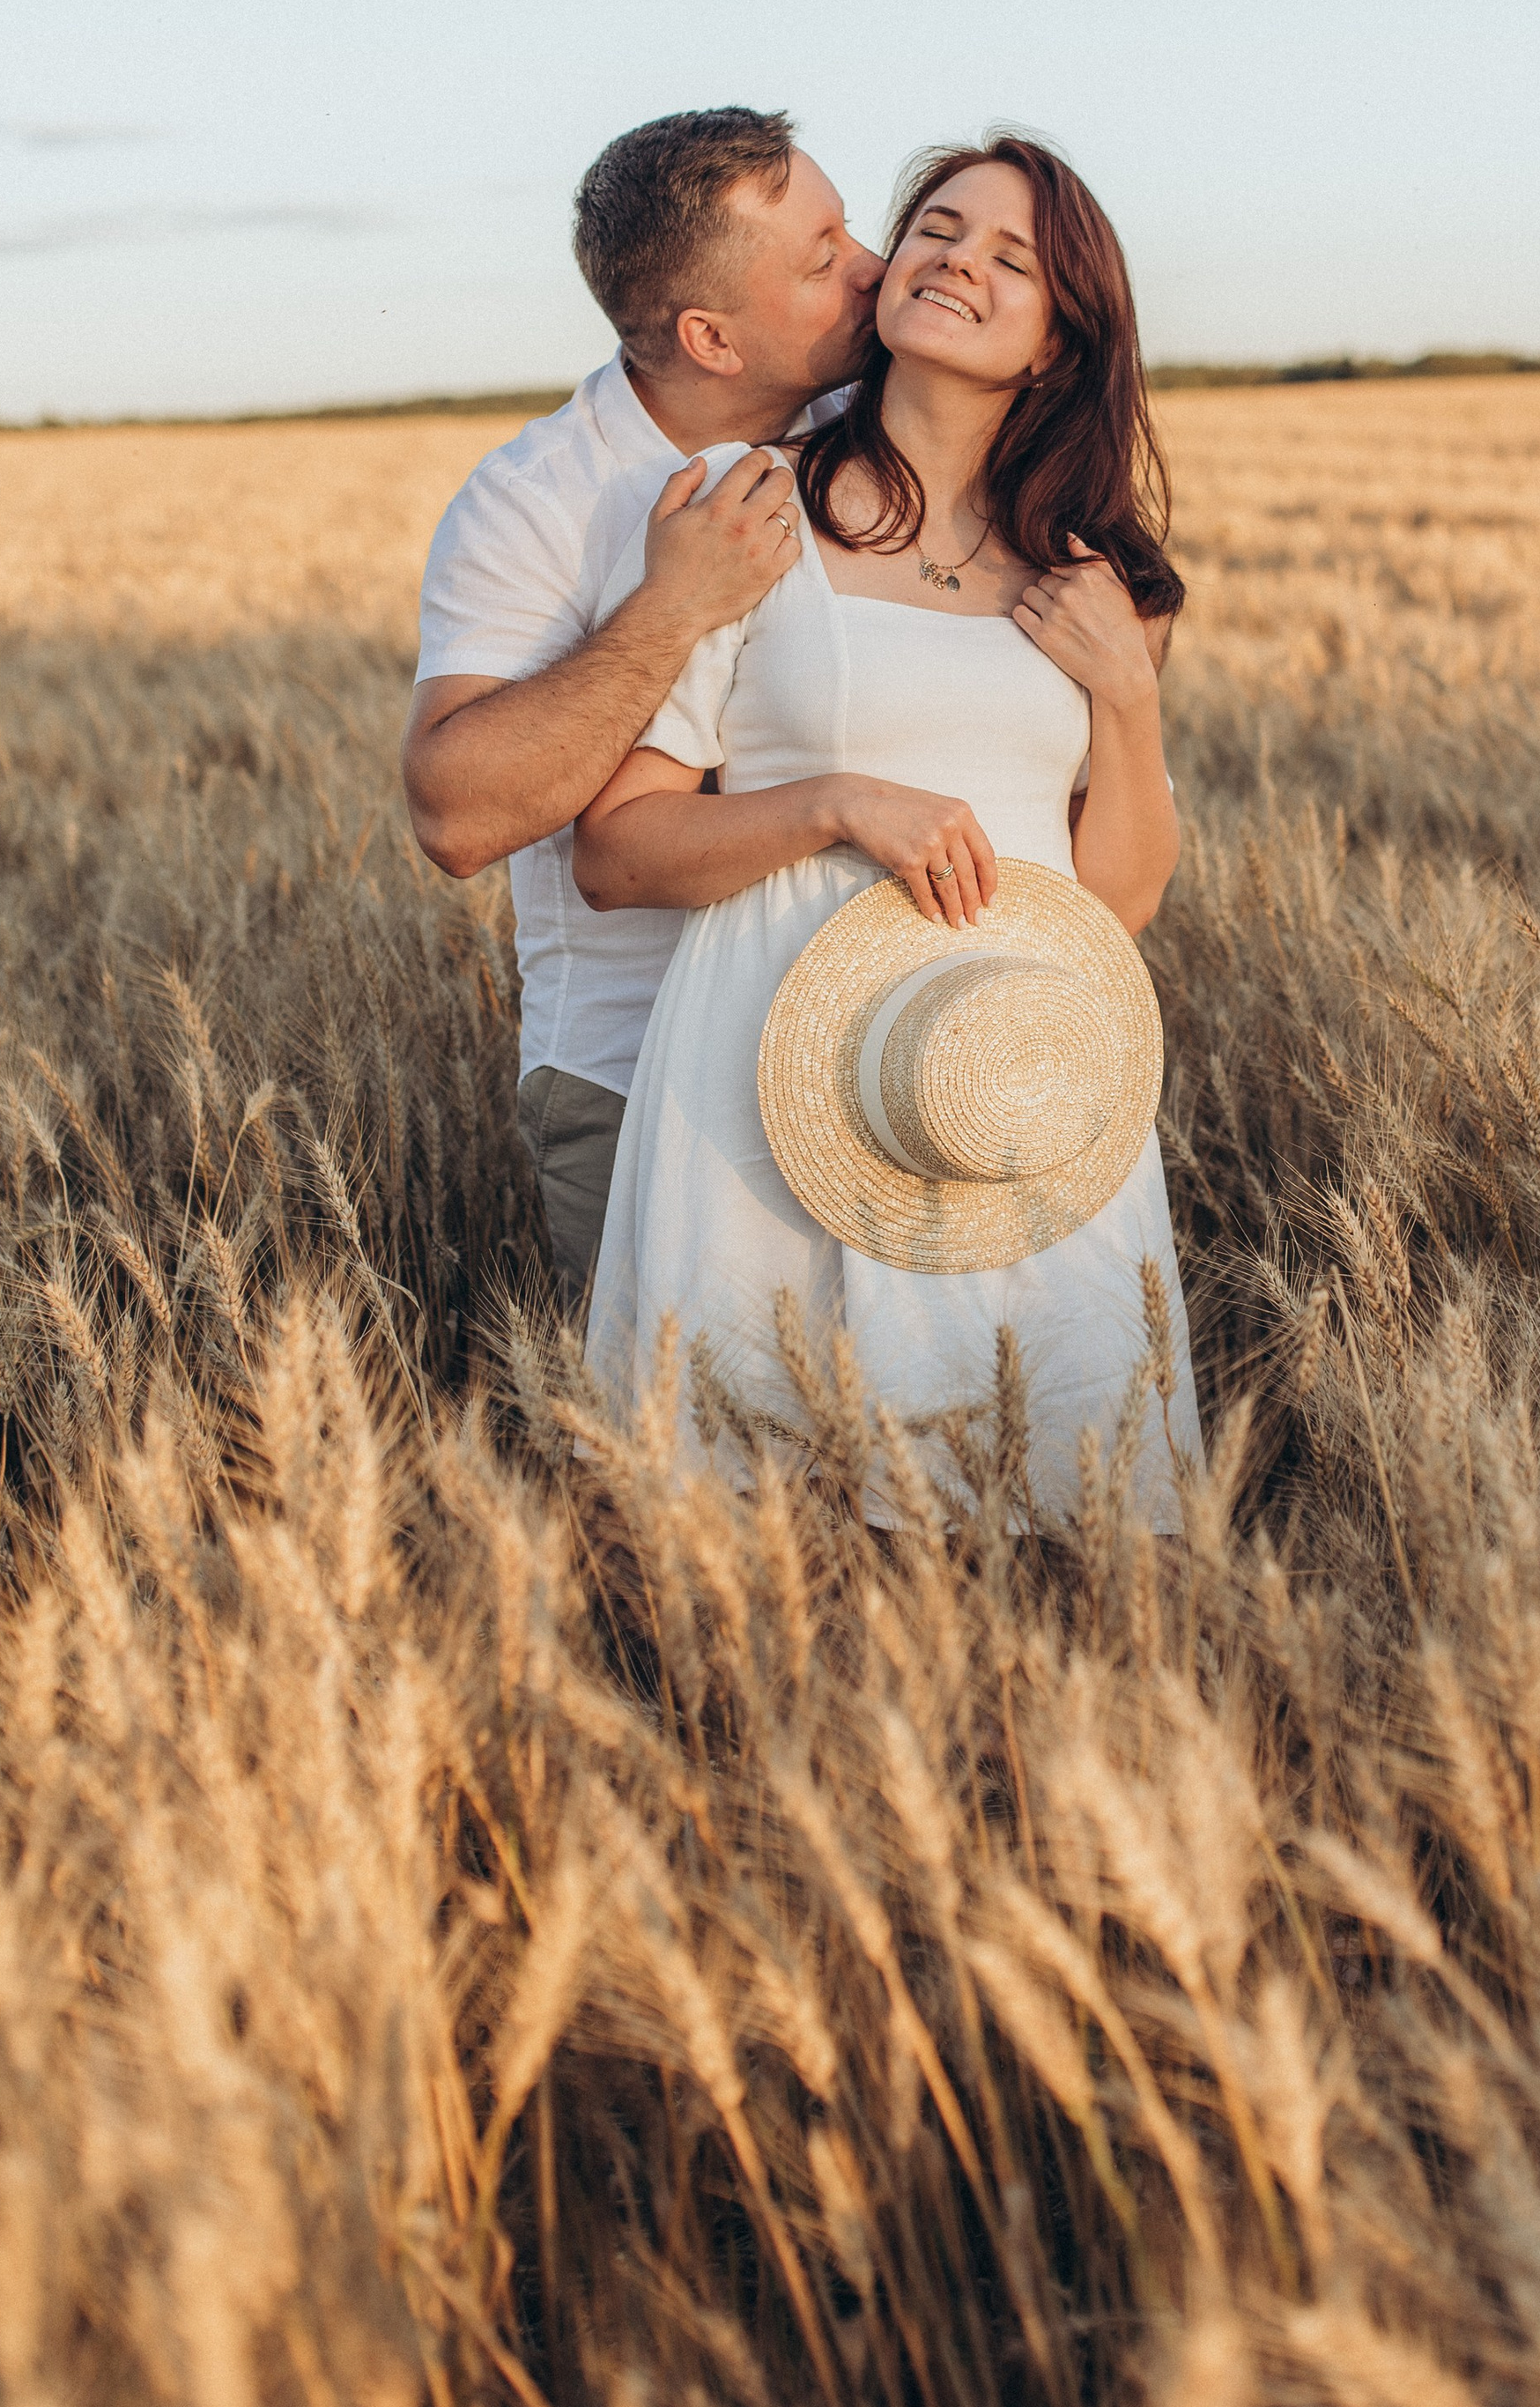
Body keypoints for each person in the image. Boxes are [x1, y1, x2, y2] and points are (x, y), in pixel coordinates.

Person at [571, 133, 1203, 1518]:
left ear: (1057, 341)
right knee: (769, 1527)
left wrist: (1127, 697)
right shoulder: (750, 514)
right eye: (938, 226)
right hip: (769, 1064)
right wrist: (837, 806)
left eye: (1011, 258)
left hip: (1016, 1073)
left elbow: (1123, 902)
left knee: (1046, 1518)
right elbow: (615, 851)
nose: (955, 261)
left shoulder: (1105, 578)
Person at [402, 107, 883, 1307]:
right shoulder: (537, 500)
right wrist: (674, 610)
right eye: (824, 259)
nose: (873, 268)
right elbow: (456, 816)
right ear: (711, 337)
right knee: (669, 1469)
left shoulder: (873, 437)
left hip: (870, 1057)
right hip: (638, 1078)